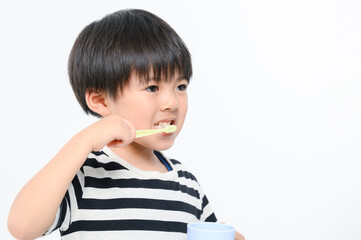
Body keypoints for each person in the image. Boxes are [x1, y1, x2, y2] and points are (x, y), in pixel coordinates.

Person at [8, 9, 244, 240]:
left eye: (180, 87)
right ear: (100, 101)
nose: (172, 102)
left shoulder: (187, 185)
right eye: (152, 88)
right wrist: (84, 141)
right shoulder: (85, 176)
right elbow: (22, 227)